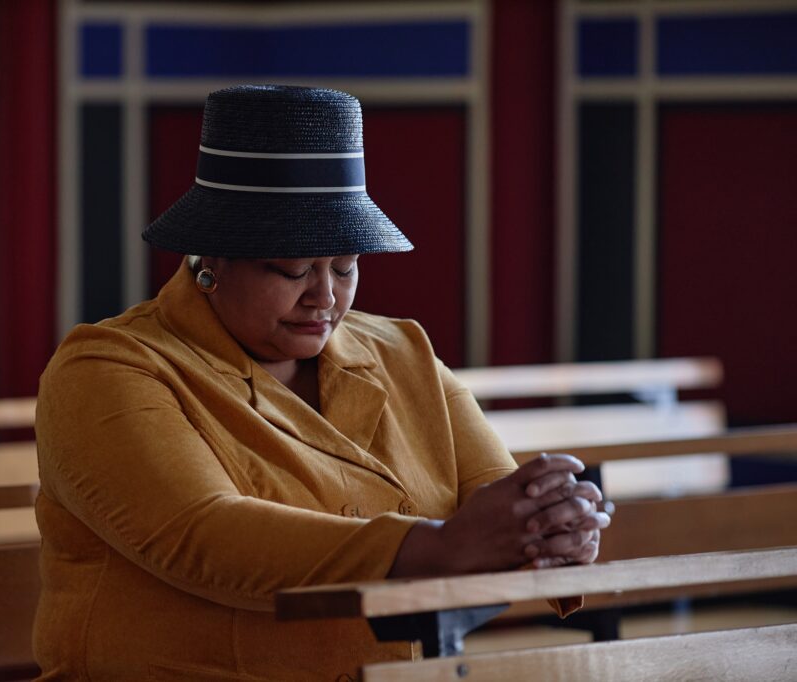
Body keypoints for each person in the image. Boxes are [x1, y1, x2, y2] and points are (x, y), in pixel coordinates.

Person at [32, 84, 611, 681]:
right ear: (211, 258)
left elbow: (495, 500)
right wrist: (435, 547)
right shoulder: (105, 370)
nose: (326, 298)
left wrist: (550, 529)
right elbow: (203, 532)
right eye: (293, 269)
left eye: (345, 266)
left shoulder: (402, 352)